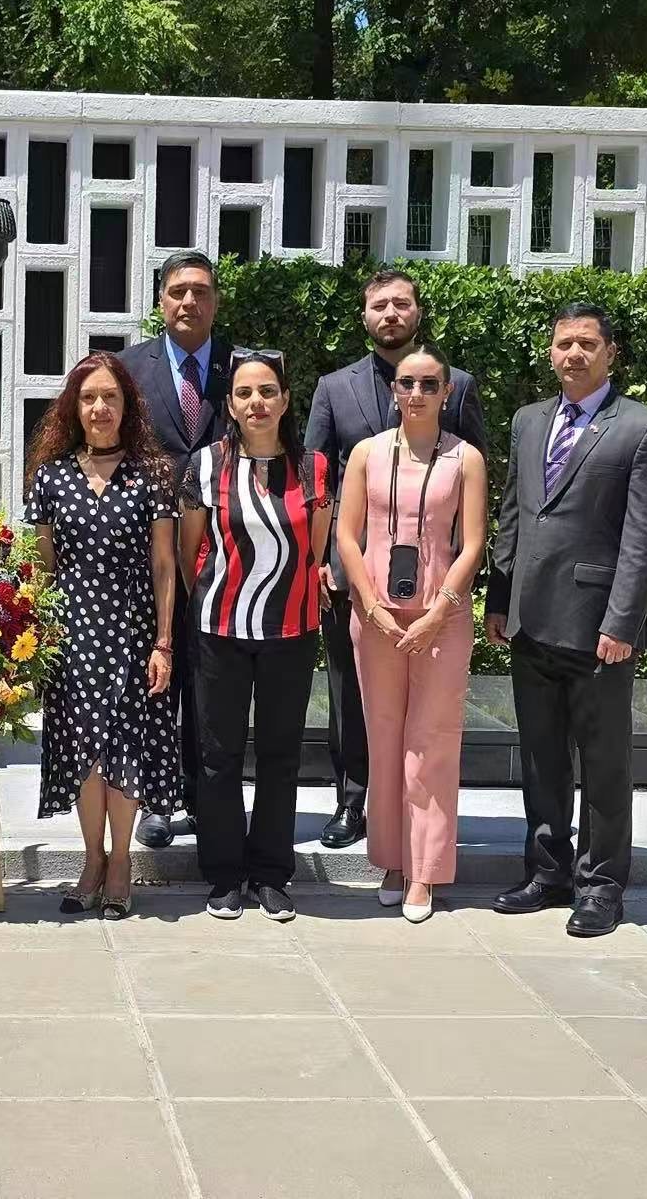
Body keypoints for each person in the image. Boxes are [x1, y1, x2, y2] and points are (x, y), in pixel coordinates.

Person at [487, 304, 647, 938]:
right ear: (550, 351)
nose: (574, 354)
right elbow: (514, 515)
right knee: (540, 757)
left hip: (599, 630)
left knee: (602, 762)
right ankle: (547, 872)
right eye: (564, 343)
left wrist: (622, 622)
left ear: (610, 353)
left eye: (587, 344)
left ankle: (601, 885)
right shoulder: (528, 421)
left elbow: (644, 539)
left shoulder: (643, 430)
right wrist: (498, 599)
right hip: (531, 621)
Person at [305, 270, 487, 851]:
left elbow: (473, 480)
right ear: (365, 317)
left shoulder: (454, 384)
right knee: (350, 692)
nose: (390, 313)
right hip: (354, 573)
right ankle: (351, 800)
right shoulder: (335, 388)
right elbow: (318, 480)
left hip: (433, 580)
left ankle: (416, 826)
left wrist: (456, 579)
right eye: (379, 305)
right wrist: (325, 560)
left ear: (417, 312)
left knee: (425, 714)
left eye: (400, 304)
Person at [333, 344, 488, 922]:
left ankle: (424, 871)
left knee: (432, 743)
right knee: (385, 741)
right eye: (406, 383)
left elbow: (473, 543)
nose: (417, 394)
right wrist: (369, 603)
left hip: (441, 619)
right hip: (375, 618)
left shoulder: (465, 458)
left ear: (447, 392)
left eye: (429, 384)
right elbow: (347, 536)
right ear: (393, 390)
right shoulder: (367, 454)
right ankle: (393, 860)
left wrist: (438, 610)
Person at [24, 353, 180, 920]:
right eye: (89, 397)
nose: (99, 407)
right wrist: (37, 640)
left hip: (134, 631)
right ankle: (91, 858)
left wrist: (164, 643)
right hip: (73, 635)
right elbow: (42, 568)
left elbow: (165, 566)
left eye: (110, 397)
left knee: (126, 750)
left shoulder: (154, 474)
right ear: (74, 406)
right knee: (84, 753)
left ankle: (121, 863)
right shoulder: (50, 475)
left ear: (126, 405)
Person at [178, 349, 330, 923]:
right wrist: (219, 600)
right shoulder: (204, 466)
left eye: (268, 391)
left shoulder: (314, 467)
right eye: (244, 394)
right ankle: (223, 874)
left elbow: (314, 549)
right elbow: (194, 549)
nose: (256, 403)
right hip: (219, 629)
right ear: (231, 405)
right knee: (217, 756)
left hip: (291, 630)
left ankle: (270, 873)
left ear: (286, 400)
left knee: (279, 756)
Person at [119, 250, 234, 850]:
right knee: (154, 673)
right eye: (177, 291)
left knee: (208, 675)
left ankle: (201, 795)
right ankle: (154, 799)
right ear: (160, 301)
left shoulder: (240, 370)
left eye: (201, 291)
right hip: (147, 547)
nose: (188, 301)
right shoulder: (126, 368)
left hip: (228, 547)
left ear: (216, 300)